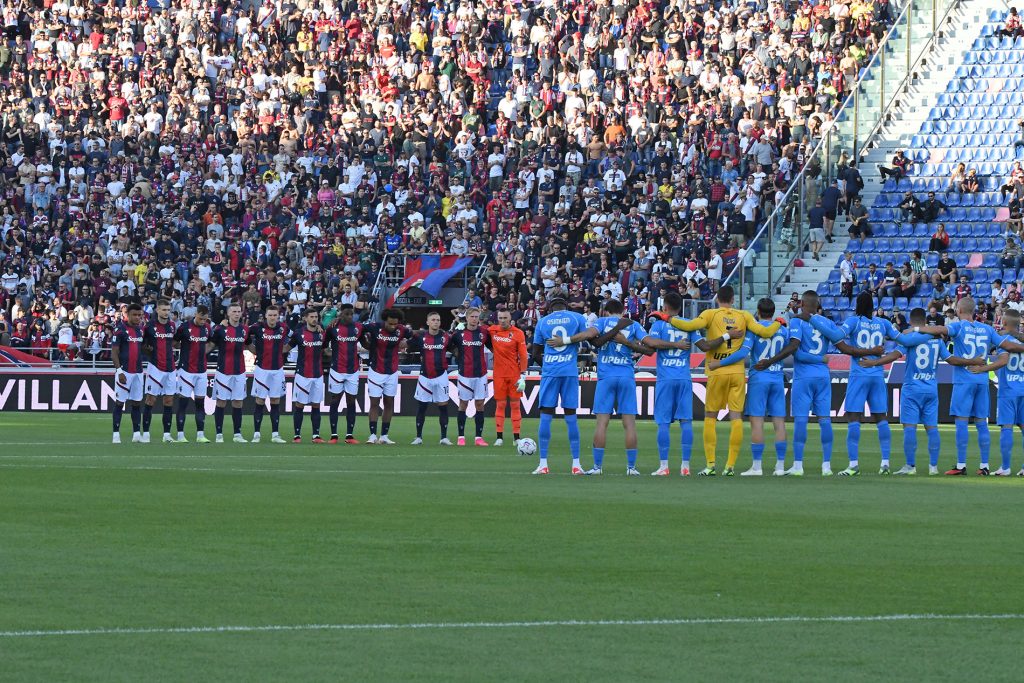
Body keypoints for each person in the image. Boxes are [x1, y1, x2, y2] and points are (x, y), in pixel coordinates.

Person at [654, 285, 782, 476]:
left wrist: (668, 317)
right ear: (733, 299)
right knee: (736, 418)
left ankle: (710, 465)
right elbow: (764, 332)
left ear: (717, 299)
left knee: (711, 417)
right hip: (738, 373)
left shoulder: (710, 313)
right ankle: (730, 466)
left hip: (716, 371)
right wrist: (779, 322)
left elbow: (689, 326)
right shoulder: (744, 315)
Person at [866, 309, 980, 475]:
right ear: (925, 321)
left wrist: (874, 363)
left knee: (910, 428)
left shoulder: (910, 339)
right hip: (931, 389)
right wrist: (972, 361)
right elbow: (951, 360)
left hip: (912, 389)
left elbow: (893, 356)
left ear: (912, 322)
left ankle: (910, 466)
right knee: (932, 428)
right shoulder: (936, 340)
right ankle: (933, 467)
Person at [920, 297, 1024, 475]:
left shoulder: (959, 326)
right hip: (982, 381)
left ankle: (961, 465)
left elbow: (940, 329)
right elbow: (1007, 345)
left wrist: (917, 328)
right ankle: (984, 466)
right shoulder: (987, 329)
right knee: (981, 423)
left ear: (959, 311)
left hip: (964, 380)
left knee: (961, 421)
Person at [786, 291, 881, 476]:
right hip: (823, 377)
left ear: (803, 303)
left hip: (804, 377)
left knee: (800, 420)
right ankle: (826, 466)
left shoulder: (797, 321)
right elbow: (843, 347)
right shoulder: (827, 323)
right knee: (825, 421)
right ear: (818, 304)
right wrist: (822, 360)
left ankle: (798, 465)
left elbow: (796, 352)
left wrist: (816, 359)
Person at [530, 291, 624, 475]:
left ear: (550, 306)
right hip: (569, 372)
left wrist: (549, 365)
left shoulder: (542, 322)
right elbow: (591, 340)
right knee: (571, 418)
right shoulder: (577, 318)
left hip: (550, 373)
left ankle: (543, 464)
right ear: (566, 305)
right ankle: (576, 464)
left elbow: (534, 353)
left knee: (546, 417)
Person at [713, 298, 790, 476]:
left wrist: (720, 363)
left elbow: (742, 353)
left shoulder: (754, 331)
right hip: (777, 378)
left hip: (759, 379)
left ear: (758, 311)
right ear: (773, 312)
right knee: (779, 422)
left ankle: (757, 467)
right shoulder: (782, 330)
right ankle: (779, 467)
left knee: (757, 422)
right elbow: (788, 350)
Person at [834, 292, 902, 475]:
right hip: (877, 374)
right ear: (872, 306)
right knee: (881, 418)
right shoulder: (883, 323)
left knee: (854, 418)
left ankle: (853, 465)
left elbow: (837, 337)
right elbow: (902, 342)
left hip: (859, 373)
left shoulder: (853, 321)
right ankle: (885, 464)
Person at [584, 299, 652, 475]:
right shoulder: (633, 324)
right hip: (626, 376)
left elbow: (593, 341)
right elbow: (650, 348)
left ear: (606, 311)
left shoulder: (601, 322)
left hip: (606, 377)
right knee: (629, 424)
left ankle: (597, 467)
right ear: (622, 311)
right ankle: (631, 468)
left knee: (602, 423)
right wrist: (630, 344)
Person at [644, 291, 700, 476]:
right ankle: (685, 466)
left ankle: (664, 466)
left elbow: (650, 343)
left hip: (666, 379)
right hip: (684, 377)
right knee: (686, 422)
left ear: (665, 307)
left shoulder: (659, 324)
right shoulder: (689, 325)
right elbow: (703, 344)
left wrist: (670, 344)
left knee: (663, 423)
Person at [966, 308, 1024, 476]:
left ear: (1004, 323)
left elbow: (1003, 361)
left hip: (1008, 391)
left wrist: (983, 369)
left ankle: (1005, 467)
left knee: (1006, 428)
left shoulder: (1004, 340)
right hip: (1023, 388)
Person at [362, 308, 412, 444]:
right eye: (390, 324)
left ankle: (384, 436)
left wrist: (408, 342)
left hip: (392, 372)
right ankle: (372, 435)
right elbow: (358, 328)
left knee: (389, 403)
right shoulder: (374, 327)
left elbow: (417, 336)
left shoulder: (402, 330)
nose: (393, 326)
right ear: (385, 320)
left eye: (395, 324)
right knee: (374, 403)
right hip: (375, 371)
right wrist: (365, 343)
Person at [448, 307, 492, 446]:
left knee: (480, 404)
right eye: (472, 316)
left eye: (476, 316)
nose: (474, 319)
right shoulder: (458, 334)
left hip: (481, 374)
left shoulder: (484, 333)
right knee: (463, 404)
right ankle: (461, 437)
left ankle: (478, 438)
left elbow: (493, 348)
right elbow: (449, 346)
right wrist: (457, 354)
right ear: (466, 318)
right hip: (465, 374)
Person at [408, 311, 453, 446]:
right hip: (425, 376)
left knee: (443, 407)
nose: (436, 322)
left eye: (438, 320)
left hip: (441, 376)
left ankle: (444, 437)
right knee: (422, 407)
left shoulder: (446, 337)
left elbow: (456, 349)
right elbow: (406, 346)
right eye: (433, 320)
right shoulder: (420, 337)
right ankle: (418, 437)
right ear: (427, 322)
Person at [247, 305, 290, 443]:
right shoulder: (257, 327)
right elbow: (244, 335)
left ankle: (275, 435)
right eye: (270, 315)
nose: (272, 317)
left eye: (275, 315)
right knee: (260, 401)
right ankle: (256, 434)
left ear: (278, 316)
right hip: (262, 370)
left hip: (277, 370)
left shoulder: (284, 328)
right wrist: (255, 351)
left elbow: (297, 337)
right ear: (266, 316)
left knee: (275, 401)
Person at [209, 303, 250, 443]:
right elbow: (210, 344)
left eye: (239, 311)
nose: (237, 314)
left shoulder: (245, 330)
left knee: (238, 402)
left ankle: (237, 434)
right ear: (228, 313)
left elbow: (250, 345)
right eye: (234, 311)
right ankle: (219, 434)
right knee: (221, 402)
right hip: (223, 371)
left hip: (239, 371)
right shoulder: (220, 329)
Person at [487, 310, 529, 447]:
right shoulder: (492, 330)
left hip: (514, 374)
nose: (503, 320)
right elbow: (479, 333)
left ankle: (516, 437)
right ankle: (499, 437)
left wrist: (523, 374)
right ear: (497, 318)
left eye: (505, 318)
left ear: (510, 318)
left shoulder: (518, 333)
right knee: (500, 405)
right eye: (500, 318)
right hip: (499, 374)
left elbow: (523, 355)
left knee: (515, 405)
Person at [324, 304, 364, 444]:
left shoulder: (358, 327)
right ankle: (334, 435)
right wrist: (330, 354)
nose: (349, 317)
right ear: (340, 314)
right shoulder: (332, 327)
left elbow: (365, 342)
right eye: (346, 314)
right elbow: (323, 345)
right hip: (336, 370)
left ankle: (349, 436)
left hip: (352, 371)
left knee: (351, 402)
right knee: (335, 401)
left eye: (351, 314)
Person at [287, 308, 328, 443]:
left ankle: (315, 435)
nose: (314, 319)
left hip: (318, 374)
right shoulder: (299, 334)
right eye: (311, 316)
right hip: (302, 374)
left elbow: (326, 350)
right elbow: (286, 348)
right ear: (305, 318)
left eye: (316, 316)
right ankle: (297, 435)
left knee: (316, 405)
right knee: (300, 404)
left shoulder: (322, 334)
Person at [173, 306, 213, 443]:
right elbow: (174, 343)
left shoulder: (207, 328)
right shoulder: (184, 327)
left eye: (205, 319)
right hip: (186, 371)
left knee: (200, 404)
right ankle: (180, 435)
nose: (203, 321)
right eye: (200, 318)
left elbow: (210, 343)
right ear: (195, 314)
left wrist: (203, 352)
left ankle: (200, 435)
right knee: (183, 403)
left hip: (202, 371)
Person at [141, 298, 178, 443]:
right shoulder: (149, 326)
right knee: (151, 399)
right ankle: (146, 434)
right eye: (163, 309)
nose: (166, 312)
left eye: (168, 310)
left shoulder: (172, 326)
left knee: (169, 400)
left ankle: (167, 435)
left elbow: (174, 342)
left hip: (171, 367)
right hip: (155, 366)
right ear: (157, 310)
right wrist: (148, 350)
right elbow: (142, 344)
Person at [111, 303, 147, 444]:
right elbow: (114, 353)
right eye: (135, 315)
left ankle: (137, 435)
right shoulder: (120, 330)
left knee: (137, 403)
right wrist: (119, 371)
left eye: (140, 315)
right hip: (124, 372)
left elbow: (141, 350)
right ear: (127, 315)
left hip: (138, 373)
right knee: (120, 403)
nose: (138, 317)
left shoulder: (140, 331)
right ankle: (116, 435)